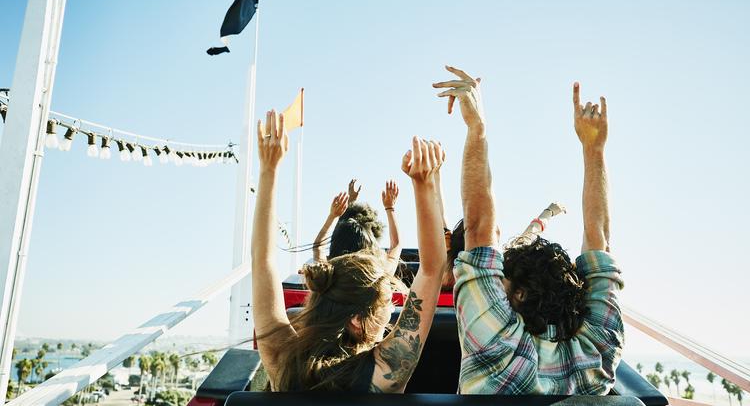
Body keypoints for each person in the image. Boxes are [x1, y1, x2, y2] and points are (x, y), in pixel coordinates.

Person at [433, 66, 624, 394]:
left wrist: (477, 126)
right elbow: (600, 241)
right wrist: (595, 150)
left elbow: (479, 228)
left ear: (519, 294)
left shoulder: (494, 345)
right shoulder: (599, 351)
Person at [250, 109, 447, 392]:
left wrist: (269, 170)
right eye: (386, 306)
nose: (391, 312)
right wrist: (424, 183)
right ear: (358, 320)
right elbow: (432, 269)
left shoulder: (281, 359)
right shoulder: (383, 373)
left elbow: (262, 261)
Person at [312, 180, 402, 275]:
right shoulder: (379, 275)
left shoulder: (328, 276)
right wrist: (390, 207)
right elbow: (396, 245)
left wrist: (333, 216)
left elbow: (318, 247)